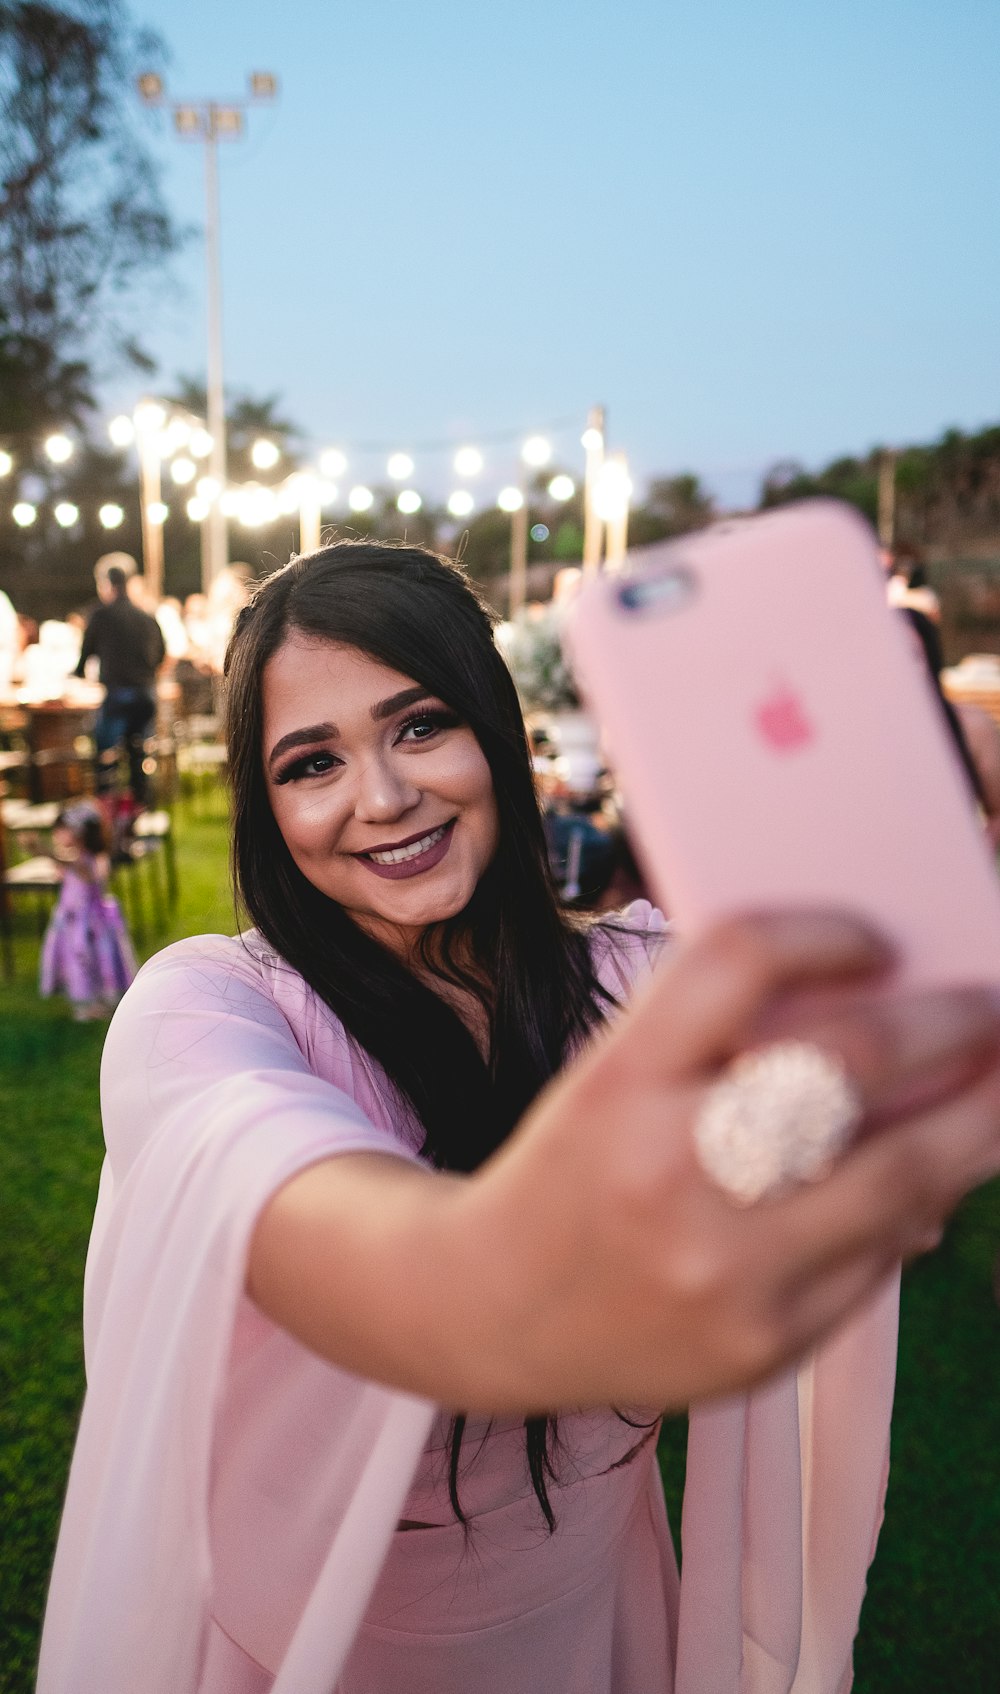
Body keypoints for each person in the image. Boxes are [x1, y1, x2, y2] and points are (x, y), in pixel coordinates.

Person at [38, 543, 1000, 1694]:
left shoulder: (646, 987)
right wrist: (500, 1271)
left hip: (603, 1625)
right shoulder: (206, 1008)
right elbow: (321, 1211)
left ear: (496, 725)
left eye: (419, 723)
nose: (383, 797)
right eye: (311, 762)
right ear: (264, 801)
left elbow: (906, 1026)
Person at [74, 559, 165, 808]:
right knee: (138, 753)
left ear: (106, 584)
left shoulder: (100, 615)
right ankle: (141, 807)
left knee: (104, 756)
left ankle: (107, 811)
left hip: (118, 696)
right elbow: (160, 654)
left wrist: (78, 674)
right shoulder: (146, 617)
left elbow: (84, 657)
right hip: (146, 696)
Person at [38, 802, 137, 1021]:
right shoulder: (73, 859)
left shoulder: (93, 860)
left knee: (91, 961)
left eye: (62, 829)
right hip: (70, 920)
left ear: (78, 832)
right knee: (76, 961)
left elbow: (85, 873)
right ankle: (84, 1002)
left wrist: (44, 852)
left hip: (90, 924)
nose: (57, 834)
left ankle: (97, 1001)